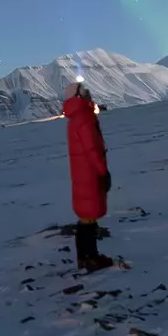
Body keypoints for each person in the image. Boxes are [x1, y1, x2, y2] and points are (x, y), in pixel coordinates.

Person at [62, 78, 113, 271]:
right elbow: (93, 149)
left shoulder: (75, 118)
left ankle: (84, 257)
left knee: (86, 217)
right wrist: (103, 172)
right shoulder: (85, 118)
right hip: (90, 173)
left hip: (81, 173)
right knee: (89, 218)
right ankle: (91, 258)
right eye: (85, 92)